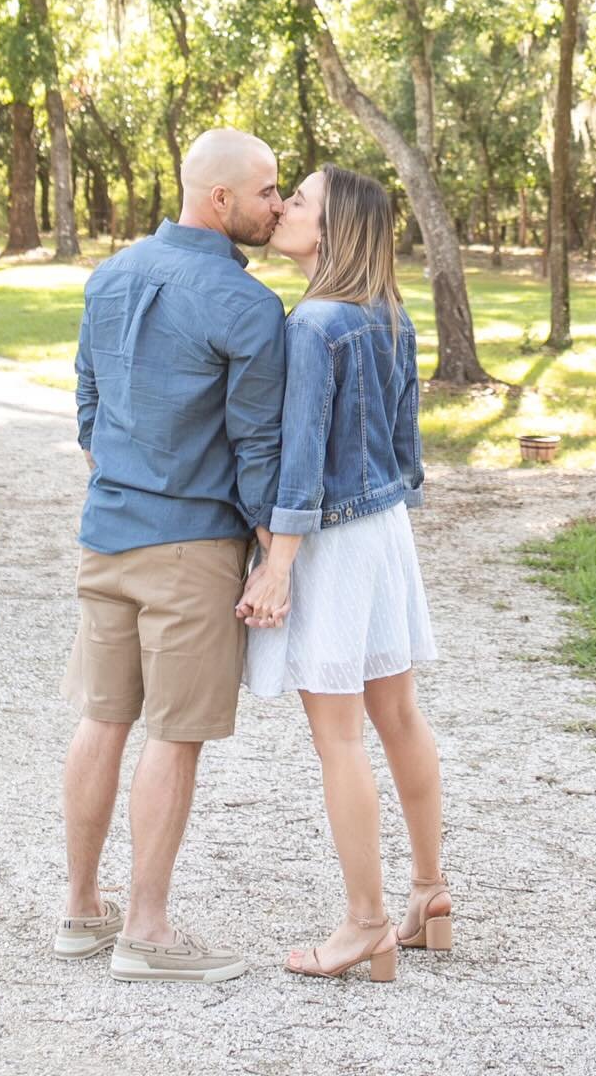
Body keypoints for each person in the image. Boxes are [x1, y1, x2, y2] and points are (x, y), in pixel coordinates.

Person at [54, 128, 287, 984]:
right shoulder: (248, 308)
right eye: (267, 190)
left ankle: (82, 910)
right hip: (191, 548)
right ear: (220, 200)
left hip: (105, 533)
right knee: (174, 735)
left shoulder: (109, 274)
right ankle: (147, 931)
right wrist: (274, 553)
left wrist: (124, 476)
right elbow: (257, 447)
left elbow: (87, 404)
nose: (277, 204)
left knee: (102, 718)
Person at [239, 164, 447, 984]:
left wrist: (278, 563)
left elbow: (301, 462)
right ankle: (429, 894)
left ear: (331, 230)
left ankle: (365, 923)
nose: (284, 207)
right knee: (399, 715)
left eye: (300, 201)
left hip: (328, 536)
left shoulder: (313, 325)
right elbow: (406, 452)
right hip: (386, 533)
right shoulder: (390, 315)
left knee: (339, 737)